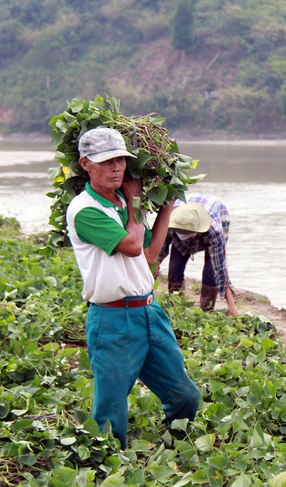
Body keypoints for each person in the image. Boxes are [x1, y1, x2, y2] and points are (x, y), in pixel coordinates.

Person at [65, 127, 199, 448]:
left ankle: (173, 447)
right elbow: (131, 245)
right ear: (86, 164)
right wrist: (137, 200)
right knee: (111, 414)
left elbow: (150, 256)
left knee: (185, 396)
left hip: (149, 313)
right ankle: (110, 467)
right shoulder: (84, 210)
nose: (116, 168)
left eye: (121, 161)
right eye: (107, 162)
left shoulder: (126, 206)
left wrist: (166, 206)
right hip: (112, 321)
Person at [157, 194, 239, 316]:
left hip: (217, 217)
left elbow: (220, 269)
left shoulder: (214, 231)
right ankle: (176, 306)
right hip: (182, 220)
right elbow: (159, 250)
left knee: (210, 272)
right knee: (174, 269)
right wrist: (154, 267)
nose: (187, 241)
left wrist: (231, 306)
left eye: (189, 237)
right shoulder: (170, 224)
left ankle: (206, 311)